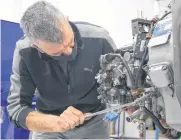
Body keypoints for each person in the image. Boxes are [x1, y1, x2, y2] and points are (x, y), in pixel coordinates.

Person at [7, 1, 117, 139]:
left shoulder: (100, 39)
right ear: (37, 46)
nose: (69, 52)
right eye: (57, 53)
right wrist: (55, 123)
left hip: (94, 122)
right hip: (49, 125)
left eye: (71, 42)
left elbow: (123, 79)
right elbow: (17, 109)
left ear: (66, 20)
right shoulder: (25, 52)